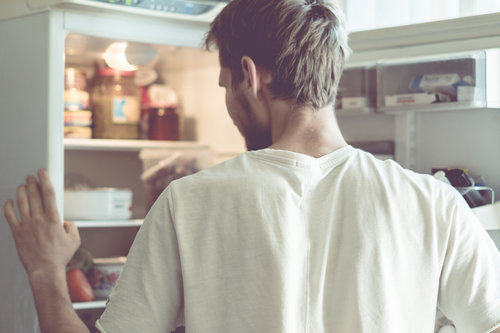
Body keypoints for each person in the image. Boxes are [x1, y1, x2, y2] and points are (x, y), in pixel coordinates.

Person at [3, 0, 500, 332]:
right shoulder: (433, 202)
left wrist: (46, 270)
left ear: (248, 76)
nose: (227, 100)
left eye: (223, 86)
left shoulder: (190, 202)